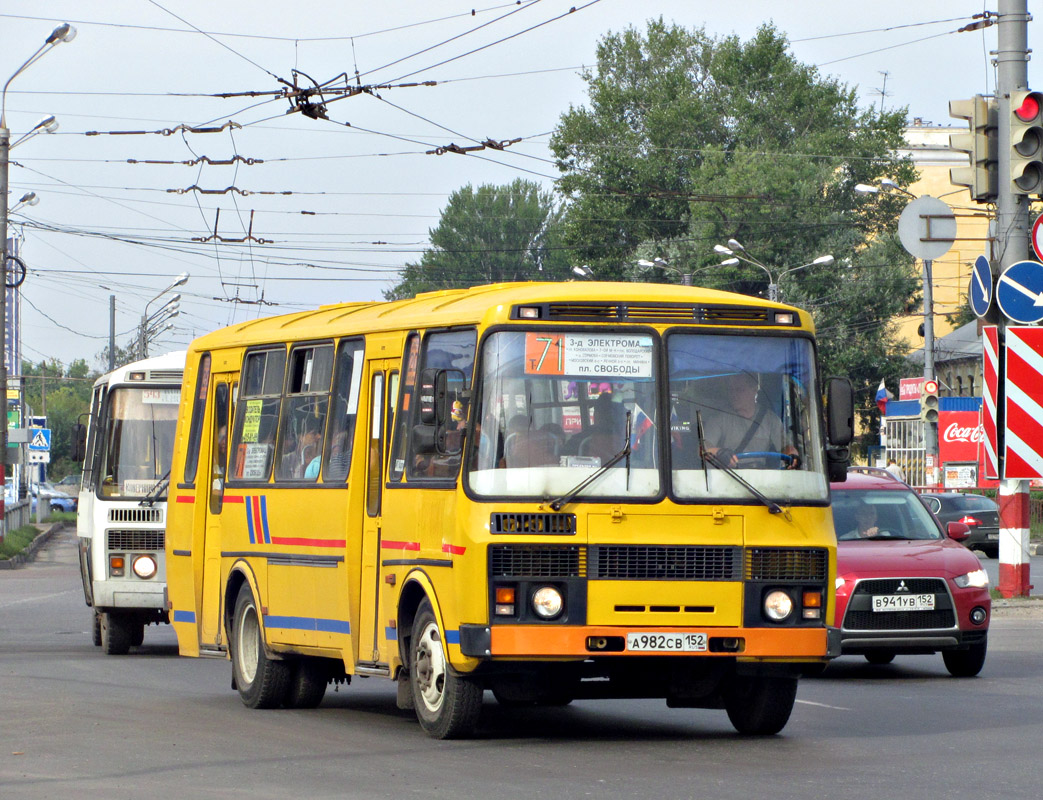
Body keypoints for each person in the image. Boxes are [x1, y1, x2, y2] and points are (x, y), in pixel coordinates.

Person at [700, 371, 798, 468]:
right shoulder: (719, 418)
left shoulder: (770, 420)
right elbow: (704, 448)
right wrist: (719, 452)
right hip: (730, 475)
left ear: (754, 390)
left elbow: (787, 447)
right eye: (731, 390)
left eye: (739, 390)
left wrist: (792, 456)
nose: (734, 395)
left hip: (760, 478)